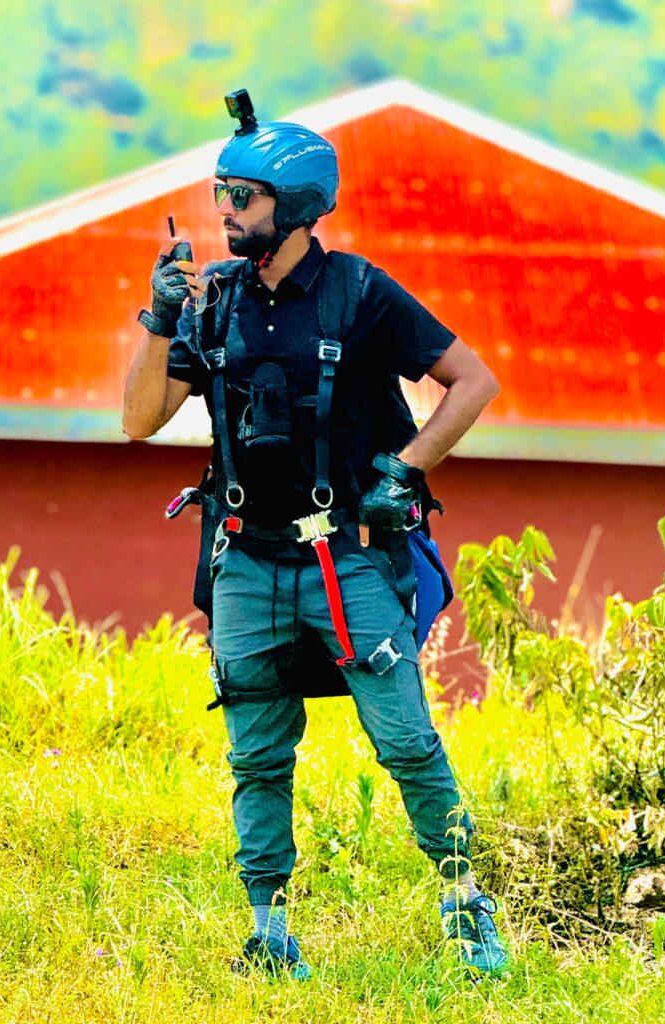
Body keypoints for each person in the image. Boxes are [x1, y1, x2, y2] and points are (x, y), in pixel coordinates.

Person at [122, 91, 506, 980]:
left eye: (243, 196)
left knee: (407, 737)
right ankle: (268, 927)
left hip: (350, 559)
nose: (225, 210)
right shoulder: (210, 302)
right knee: (256, 753)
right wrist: (157, 319)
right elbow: (141, 420)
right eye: (221, 192)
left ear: (293, 206)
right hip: (246, 558)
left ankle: (465, 903)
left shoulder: (358, 292)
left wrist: (406, 470)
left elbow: (473, 382)